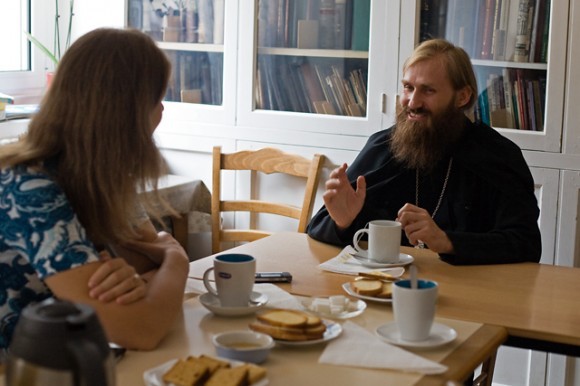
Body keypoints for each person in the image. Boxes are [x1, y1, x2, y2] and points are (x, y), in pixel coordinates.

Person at [0, 28, 189, 353]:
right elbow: (140, 329)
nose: (162, 112)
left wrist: (131, 273)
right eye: (158, 99)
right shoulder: (30, 188)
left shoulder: (89, 173)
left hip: (59, 353)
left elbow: (141, 264)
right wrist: (177, 257)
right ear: (129, 113)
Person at [307, 39, 541, 265]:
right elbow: (317, 228)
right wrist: (342, 222)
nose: (412, 102)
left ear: (462, 97)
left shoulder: (498, 155)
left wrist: (446, 242)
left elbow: (526, 244)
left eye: (428, 91)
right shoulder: (382, 147)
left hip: (472, 292)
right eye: (408, 87)